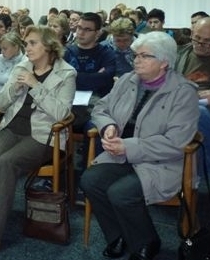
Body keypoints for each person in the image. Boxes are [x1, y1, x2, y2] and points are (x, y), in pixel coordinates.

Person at [0, 26, 76, 260]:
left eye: (32, 43)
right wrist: (13, 88)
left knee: (6, 163)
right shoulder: (22, 67)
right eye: (26, 43)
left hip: (42, 135)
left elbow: (61, 114)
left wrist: (36, 86)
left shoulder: (67, 73)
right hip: (12, 128)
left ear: (49, 46)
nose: (26, 48)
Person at [80, 31, 199, 260]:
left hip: (161, 162)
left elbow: (176, 143)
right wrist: (109, 126)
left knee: (121, 193)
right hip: (121, 155)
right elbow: (100, 109)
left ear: (164, 62)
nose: (137, 60)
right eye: (136, 55)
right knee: (90, 180)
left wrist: (128, 147)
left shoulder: (183, 93)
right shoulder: (128, 80)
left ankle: (147, 241)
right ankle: (118, 236)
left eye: (145, 56)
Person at [175, 17, 210, 179]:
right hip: (176, 111)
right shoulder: (178, 54)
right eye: (196, 38)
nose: (199, 44)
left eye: (207, 42)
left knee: (200, 112)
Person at [0, 31, 25, 109]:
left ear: (16, 47)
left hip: (11, 105)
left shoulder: (24, 63)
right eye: (1, 48)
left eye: (5, 49)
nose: (2, 52)